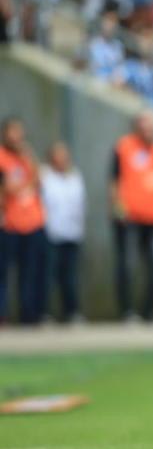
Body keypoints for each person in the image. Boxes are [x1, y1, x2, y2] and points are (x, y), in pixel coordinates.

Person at [110, 111, 153, 322]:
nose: (149, 130)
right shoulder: (124, 147)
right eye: (144, 126)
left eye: (151, 126)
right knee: (127, 265)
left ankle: (151, 312)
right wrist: (117, 206)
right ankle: (127, 311)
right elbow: (114, 179)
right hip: (130, 217)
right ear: (136, 127)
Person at [0, 117, 48, 324]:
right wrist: (25, 185)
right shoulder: (2, 158)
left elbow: (39, 180)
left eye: (19, 132)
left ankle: (29, 315)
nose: (16, 137)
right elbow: (8, 189)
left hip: (32, 222)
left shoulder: (26, 158)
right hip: (9, 223)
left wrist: (30, 158)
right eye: (12, 132)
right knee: (4, 273)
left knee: (30, 272)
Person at [41, 142, 86, 323]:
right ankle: (45, 313)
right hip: (51, 233)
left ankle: (72, 312)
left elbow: (81, 206)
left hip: (72, 234)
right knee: (48, 276)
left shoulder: (75, 177)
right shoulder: (44, 176)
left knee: (70, 277)